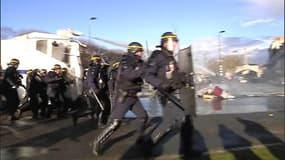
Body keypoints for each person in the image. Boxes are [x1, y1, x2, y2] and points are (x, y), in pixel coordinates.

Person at [92, 42, 148, 156]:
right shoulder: (126, 61)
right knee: (115, 123)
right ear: (134, 51)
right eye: (140, 51)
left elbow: (145, 75)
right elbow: (130, 75)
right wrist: (143, 69)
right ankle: (97, 143)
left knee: (143, 117)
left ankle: (140, 139)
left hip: (133, 96)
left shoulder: (140, 63)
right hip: (124, 96)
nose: (142, 53)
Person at [144, 32, 194, 148]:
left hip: (172, 92)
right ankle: (147, 146)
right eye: (174, 41)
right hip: (165, 93)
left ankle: (187, 147)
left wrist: (187, 79)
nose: (176, 44)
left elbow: (175, 75)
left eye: (176, 41)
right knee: (170, 122)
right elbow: (148, 75)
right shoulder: (158, 56)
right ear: (166, 43)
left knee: (181, 118)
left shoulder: (169, 57)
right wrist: (161, 84)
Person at [86, 55, 111, 127]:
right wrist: (94, 89)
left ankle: (105, 119)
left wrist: (107, 88)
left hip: (102, 89)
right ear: (94, 61)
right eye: (98, 61)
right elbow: (91, 80)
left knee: (107, 104)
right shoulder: (93, 69)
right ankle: (100, 121)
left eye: (99, 61)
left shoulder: (100, 68)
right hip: (96, 90)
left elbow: (104, 80)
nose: (99, 62)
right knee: (100, 106)